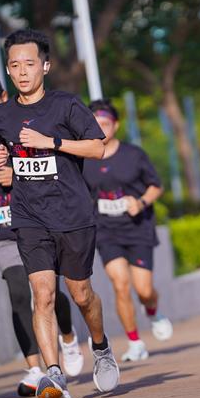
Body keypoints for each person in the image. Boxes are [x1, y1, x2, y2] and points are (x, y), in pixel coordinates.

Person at [0, 29, 119, 398]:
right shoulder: (2, 114)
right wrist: (0, 158)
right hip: (29, 216)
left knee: (81, 294)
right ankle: (54, 374)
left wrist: (51, 142)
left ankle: (101, 347)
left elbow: (97, 148)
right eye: (15, 65)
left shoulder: (66, 105)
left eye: (29, 64)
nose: (22, 71)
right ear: (8, 70)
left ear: (44, 66)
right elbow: (0, 149)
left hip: (72, 214)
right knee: (42, 294)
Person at [0, 72, 83, 396]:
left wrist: (14, 172)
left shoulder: (26, 121)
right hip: (2, 221)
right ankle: (34, 367)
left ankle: (68, 336)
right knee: (18, 291)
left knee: (47, 291)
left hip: (39, 215)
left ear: (4, 97)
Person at [83, 100, 172, 362]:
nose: (101, 129)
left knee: (144, 290)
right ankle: (134, 342)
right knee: (120, 284)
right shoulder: (84, 159)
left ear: (116, 125)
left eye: (105, 123)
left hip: (137, 227)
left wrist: (141, 202)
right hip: (106, 230)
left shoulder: (133, 154)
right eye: (95, 124)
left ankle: (153, 310)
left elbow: (156, 186)